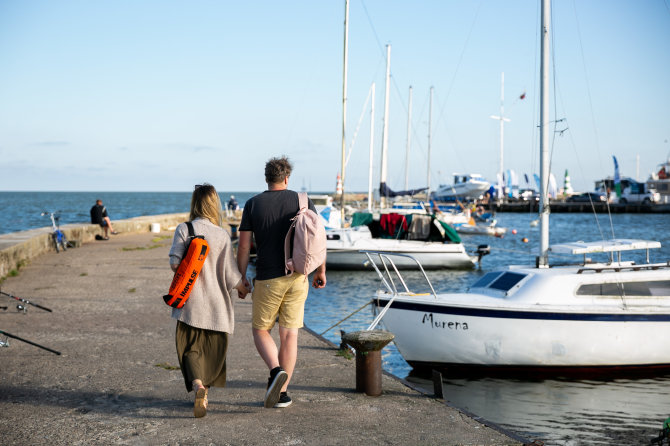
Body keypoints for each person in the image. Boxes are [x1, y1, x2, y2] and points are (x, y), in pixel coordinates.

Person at [236, 156, 327, 409]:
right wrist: (321, 271)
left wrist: (240, 278)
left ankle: (276, 371)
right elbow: (318, 238)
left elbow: (244, 246)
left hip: (267, 278)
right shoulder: (302, 200)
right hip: (298, 276)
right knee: (289, 335)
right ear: (287, 178)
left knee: (261, 330)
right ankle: (282, 394)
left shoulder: (253, 204)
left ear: (267, 178)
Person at [168, 183, 249, 418]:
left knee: (189, 351)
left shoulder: (184, 229)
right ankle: (204, 392)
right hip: (217, 307)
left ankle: (198, 388)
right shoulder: (222, 235)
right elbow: (232, 276)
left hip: (190, 305)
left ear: (195, 203)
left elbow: (175, 264)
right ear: (214, 204)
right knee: (211, 355)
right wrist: (244, 289)